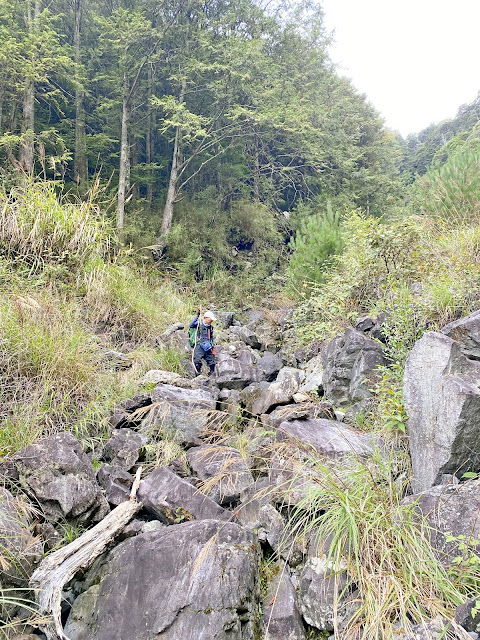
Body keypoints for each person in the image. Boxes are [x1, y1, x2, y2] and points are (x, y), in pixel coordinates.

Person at [189, 310, 217, 377]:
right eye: (210, 319)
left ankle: (211, 375)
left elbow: (211, 337)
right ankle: (197, 375)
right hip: (199, 344)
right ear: (206, 318)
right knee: (197, 361)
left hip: (208, 346)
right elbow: (191, 325)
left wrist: (212, 346)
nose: (211, 321)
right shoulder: (199, 324)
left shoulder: (211, 327)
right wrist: (197, 316)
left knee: (212, 362)